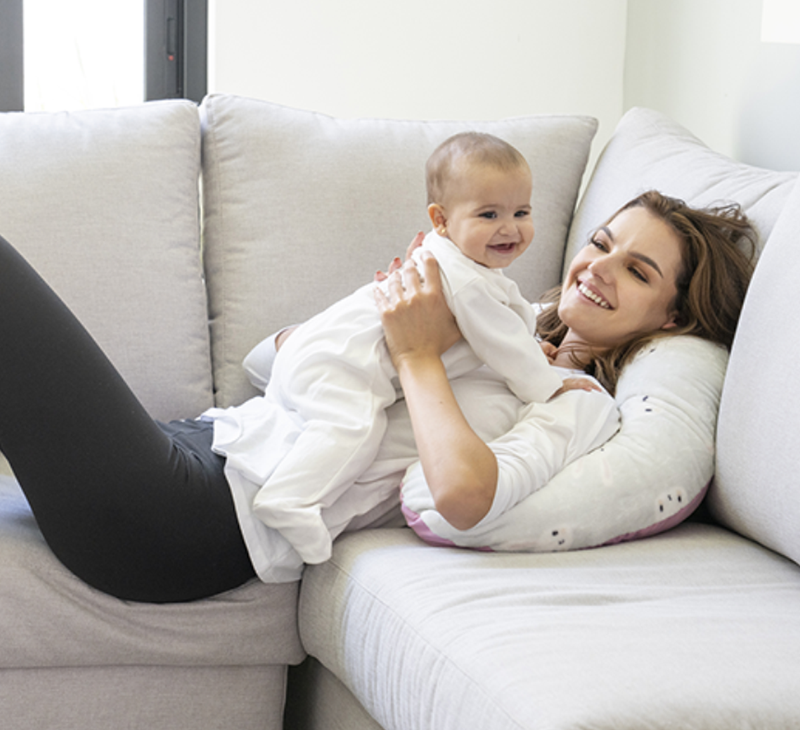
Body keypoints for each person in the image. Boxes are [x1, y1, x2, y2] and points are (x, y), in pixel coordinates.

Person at [0, 189, 756, 603]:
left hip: (191, 520)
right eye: (602, 243)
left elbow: (460, 495)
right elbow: (266, 359)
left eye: (639, 272)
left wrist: (417, 353)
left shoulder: (573, 399)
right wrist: (372, 313)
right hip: (204, 441)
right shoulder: (505, 315)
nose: (600, 268)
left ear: (674, 318)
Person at [204, 132, 583, 573]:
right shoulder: (468, 281)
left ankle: (290, 490)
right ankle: (291, 498)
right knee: (351, 428)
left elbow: (505, 338)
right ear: (440, 220)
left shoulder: (455, 266)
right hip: (338, 364)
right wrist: (550, 385)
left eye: (522, 211)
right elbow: (507, 348)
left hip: (306, 364)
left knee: (343, 425)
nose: (510, 227)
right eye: (489, 214)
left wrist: (534, 348)